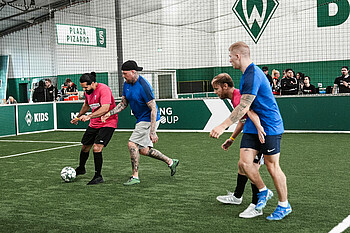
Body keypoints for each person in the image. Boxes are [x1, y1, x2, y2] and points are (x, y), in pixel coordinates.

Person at [210, 41, 292, 221]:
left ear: (238, 56)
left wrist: (222, 126)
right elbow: (248, 108)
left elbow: (244, 106)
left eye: (230, 56)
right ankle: (263, 191)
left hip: (269, 125)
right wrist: (233, 136)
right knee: (244, 163)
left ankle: (284, 205)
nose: (229, 60)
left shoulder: (253, 74)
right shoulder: (246, 75)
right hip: (253, 127)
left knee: (272, 166)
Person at [101, 60, 179, 186]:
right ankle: (170, 162)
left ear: (133, 72)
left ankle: (135, 176)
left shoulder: (144, 86)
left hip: (148, 119)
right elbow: (123, 104)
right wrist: (109, 113)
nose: (123, 76)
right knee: (143, 150)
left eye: (125, 73)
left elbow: (153, 108)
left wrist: (152, 132)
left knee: (132, 144)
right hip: (141, 119)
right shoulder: (126, 84)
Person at [212, 73, 266, 218]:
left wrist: (260, 130)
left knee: (252, 167)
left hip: (260, 134)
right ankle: (237, 196)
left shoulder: (238, 97)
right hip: (250, 132)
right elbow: (242, 119)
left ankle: (257, 205)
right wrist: (232, 138)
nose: (215, 92)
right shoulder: (235, 98)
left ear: (225, 86)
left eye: (216, 89)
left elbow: (252, 113)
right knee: (242, 164)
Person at [70, 72, 118, 185]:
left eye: (86, 87)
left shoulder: (104, 89)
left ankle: (98, 176)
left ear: (93, 83)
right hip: (94, 123)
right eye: (83, 87)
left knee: (97, 148)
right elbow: (86, 105)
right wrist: (77, 117)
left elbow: (105, 108)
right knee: (85, 147)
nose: (85, 90)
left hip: (108, 122)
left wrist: (89, 116)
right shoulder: (88, 92)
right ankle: (81, 168)